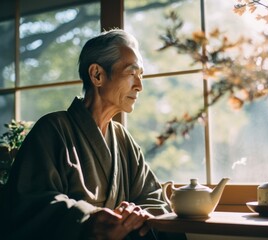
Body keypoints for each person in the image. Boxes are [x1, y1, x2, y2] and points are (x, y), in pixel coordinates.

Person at [0, 29, 184, 240]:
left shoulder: (123, 140)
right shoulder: (53, 129)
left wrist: (138, 216)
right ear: (97, 75)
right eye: (132, 73)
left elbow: (155, 199)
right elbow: (31, 203)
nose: (140, 86)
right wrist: (89, 220)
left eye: (141, 75)